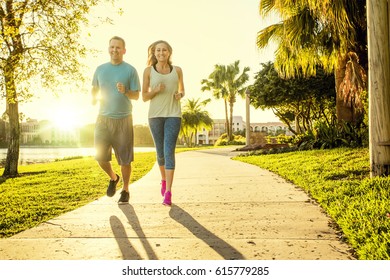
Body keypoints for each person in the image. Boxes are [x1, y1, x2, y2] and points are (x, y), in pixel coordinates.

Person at [91, 36, 140, 204]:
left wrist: (126, 91)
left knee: (125, 159)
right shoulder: (100, 69)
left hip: (124, 119)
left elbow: (136, 95)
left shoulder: (130, 70)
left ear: (124, 50)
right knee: (100, 157)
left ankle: (125, 189)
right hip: (103, 119)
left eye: (118, 47)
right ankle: (113, 178)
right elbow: (94, 88)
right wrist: (93, 99)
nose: (114, 50)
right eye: (112, 47)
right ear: (108, 48)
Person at [142, 40, 185, 206]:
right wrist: (156, 91)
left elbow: (182, 90)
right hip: (155, 116)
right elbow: (144, 97)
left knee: (169, 151)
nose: (161, 53)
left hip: (173, 115)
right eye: (158, 50)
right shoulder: (148, 71)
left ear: (169, 52)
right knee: (160, 153)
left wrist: (180, 95)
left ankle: (168, 192)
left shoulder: (178, 70)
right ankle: (163, 180)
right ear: (154, 53)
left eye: (164, 50)